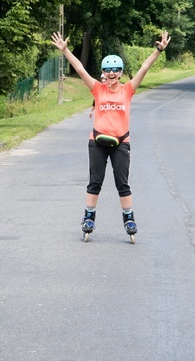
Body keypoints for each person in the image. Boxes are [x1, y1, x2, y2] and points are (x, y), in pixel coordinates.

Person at [51, 30, 171, 242]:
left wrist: (158, 51)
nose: (112, 74)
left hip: (121, 143)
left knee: (122, 184)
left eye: (116, 70)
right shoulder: (97, 89)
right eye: (108, 70)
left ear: (121, 73)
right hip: (97, 142)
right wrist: (66, 50)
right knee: (94, 182)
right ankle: (89, 216)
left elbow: (144, 68)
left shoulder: (128, 90)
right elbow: (79, 69)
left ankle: (129, 218)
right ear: (103, 73)